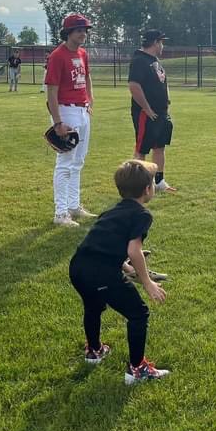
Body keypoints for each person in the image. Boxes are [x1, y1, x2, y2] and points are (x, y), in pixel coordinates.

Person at [68, 159, 170, 384]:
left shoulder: (111, 211)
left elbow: (104, 245)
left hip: (78, 267)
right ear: (147, 190)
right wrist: (147, 282)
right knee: (138, 313)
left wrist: (125, 267)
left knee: (93, 306)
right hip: (100, 273)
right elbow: (134, 250)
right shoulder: (142, 215)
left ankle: (94, 351)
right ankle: (137, 370)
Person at [45, 13, 96, 226]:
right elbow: (51, 91)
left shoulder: (83, 53)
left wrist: (90, 99)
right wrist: (57, 122)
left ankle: (74, 205)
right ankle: (60, 213)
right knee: (65, 163)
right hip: (66, 110)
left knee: (78, 161)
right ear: (68, 32)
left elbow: (87, 76)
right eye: (79, 30)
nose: (83, 33)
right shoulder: (58, 56)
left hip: (82, 110)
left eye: (85, 30)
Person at [128, 29, 177, 193]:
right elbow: (134, 85)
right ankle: (138, 185)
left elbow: (162, 82)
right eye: (161, 42)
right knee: (142, 149)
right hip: (146, 113)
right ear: (155, 42)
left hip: (161, 111)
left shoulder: (154, 60)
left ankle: (159, 181)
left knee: (159, 146)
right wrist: (146, 108)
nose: (162, 46)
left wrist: (167, 100)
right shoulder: (139, 60)